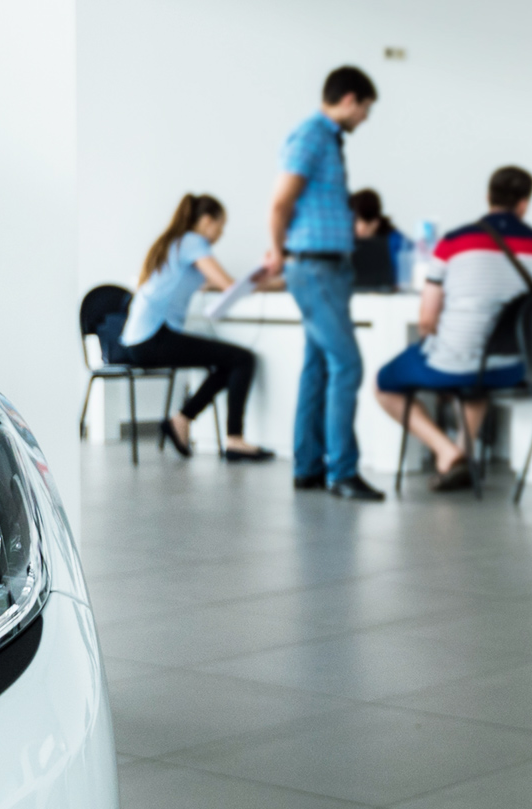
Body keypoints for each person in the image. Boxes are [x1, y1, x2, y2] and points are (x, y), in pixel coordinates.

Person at [374, 166, 532, 491]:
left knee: (383, 384)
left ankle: (446, 451)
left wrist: (433, 346)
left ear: (487, 197)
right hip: (509, 368)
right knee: (476, 379)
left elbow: (426, 318)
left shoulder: (454, 241)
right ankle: (462, 458)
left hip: (455, 363)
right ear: (524, 204)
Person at [264, 66, 382, 501]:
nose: (365, 118)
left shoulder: (327, 139)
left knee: (317, 367)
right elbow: (281, 202)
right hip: (314, 268)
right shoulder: (312, 135)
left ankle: (309, 467)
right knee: (347, 364)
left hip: (329, 267)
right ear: (349, 99)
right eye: (365, 108)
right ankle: (343, 472)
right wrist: (277, 250)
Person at [122, 193, 281, 461]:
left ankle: (182, 419)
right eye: (221, 225)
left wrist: (265, 278)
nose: (221, 233)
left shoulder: (176, 243)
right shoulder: (193, 242)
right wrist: (277, 282)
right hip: (154, 337)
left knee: (230, 362)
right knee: (242, 359)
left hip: (139, 340)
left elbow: (214, 284)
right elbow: (229, 285)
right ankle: (234, 440)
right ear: (207, 221)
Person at [349, 188, 413, 284]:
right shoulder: (348, 245)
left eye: (356, 221)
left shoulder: (397, 243)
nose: (351, 227)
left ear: (374, 223)